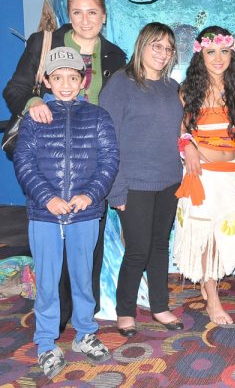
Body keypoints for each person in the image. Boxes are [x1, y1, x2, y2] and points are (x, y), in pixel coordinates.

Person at [3, 0, 126, 332]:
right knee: (51, 248)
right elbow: (14, 89)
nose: (85, 20)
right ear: (68, 15)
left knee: (88, 247)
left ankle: (85, 320)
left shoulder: (115, 56)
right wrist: (33, 103)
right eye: (77, 12)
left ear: (104, 16)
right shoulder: (43, 43)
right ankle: (54, 319)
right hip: (50, 157)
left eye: (92, 12)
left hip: (92, 160)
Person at [13, 47, 119, 379]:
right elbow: (24, 162)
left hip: (84, 214)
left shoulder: (98, 117)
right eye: (58, 78)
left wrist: (90, 194)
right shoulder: (34, 118)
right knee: (47, 281)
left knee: (83, 277)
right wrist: (47, 198)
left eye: (73, 78)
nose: (66, 84)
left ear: (83, 80)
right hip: (44, 215)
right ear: (46, 81)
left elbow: (109, 160)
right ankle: (45, 342)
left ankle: (85, 332)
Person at [99, 23, 183, 336]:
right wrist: (115, 188)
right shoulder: (121, 83)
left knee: (160, 246)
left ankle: (159, 306)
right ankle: (125, 311)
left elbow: (180, 133)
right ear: (142, 45)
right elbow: (107, 139)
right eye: (156, 46)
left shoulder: (172, 87)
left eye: (168, 48)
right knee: (137, 250)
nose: (162, 53)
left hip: (169, 181)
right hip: (133, 183)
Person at [174, 26, 235, 325]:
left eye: (224, 52)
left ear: (232, 54)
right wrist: (188, 147)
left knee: (223, 234)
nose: (218, 58)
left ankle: (209, 287)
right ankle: (213, 301)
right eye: (211, 52)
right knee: (207, 237)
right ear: (200, 55)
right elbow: (181, 131)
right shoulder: (188, 91)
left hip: (231, 176)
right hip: (202, 175)